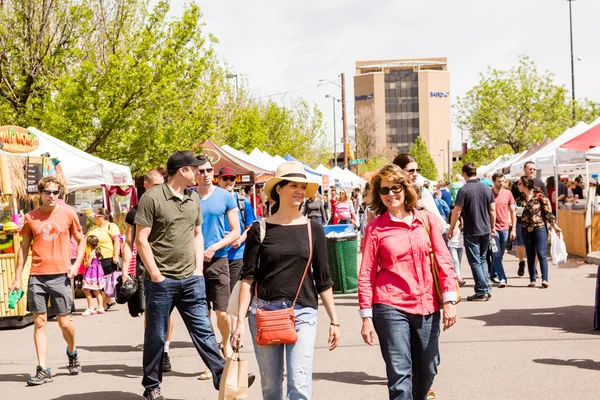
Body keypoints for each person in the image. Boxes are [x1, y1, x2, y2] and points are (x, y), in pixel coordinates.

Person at [231, 161, 340, 400]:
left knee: (299, 385)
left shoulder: (314, 229)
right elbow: (247, 278)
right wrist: (238, 322)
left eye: (303, 186)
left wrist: (335, 320)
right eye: (293, 185)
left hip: (302, 313)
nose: (300, 191)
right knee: (270, 387)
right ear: (278, 189)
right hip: (263, 312)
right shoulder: (259, 229)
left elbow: (323, 278)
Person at [358, 164, 457, 399]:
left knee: (428, 368)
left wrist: (449, 299)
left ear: (405, 188)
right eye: (384, 190)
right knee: (399, 374)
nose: (391, 194)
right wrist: (366, 317)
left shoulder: (426, 220)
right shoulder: (376, 228)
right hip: (390, 305)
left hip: (427, 304)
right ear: (378, 195)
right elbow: (366, 273)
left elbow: (444, 259)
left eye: (396, 188)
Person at [135, 151, 226, 400]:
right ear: (182, 170)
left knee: (204, 331)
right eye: (196, 169)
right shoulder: (152, 198)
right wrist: (155, 275)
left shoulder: (193, 198)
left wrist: (198, 271)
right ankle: (152, 386)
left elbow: (197, 234)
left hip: (191, 279)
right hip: (161, 282)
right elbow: (140, 240)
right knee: (156, 335)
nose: (200, 173)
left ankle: (223, 377)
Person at [9, 176, 84, 385]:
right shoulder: (31, 218)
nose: (52, 196)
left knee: (64, 322)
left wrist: (76, 265)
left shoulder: (68, 213)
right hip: (37, 276)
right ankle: (42, 368)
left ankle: (72, 351)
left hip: (61, 274)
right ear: (40, 194)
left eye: (56, 193)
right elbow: (23, 249)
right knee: (39, 322)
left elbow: (81, 240)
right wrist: (16, 278)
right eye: (48, 192)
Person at [122, 169, 176, 373]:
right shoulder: (134, 212)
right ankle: (155, 349)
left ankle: (165, 351)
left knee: (168, 311)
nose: (160, 189)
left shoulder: (169, 208)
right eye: (155, 185)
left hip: (169, 266)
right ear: (146, 185)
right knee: (150, 312)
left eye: (162, 184)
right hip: (145, 268)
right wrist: (125, 270)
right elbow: (128, 243)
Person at [195, 156, 241, 368]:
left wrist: (214, 247)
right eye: (201, 171)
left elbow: (235, 232)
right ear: (194, 173)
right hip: (193, 263)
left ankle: (226, 345)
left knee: (222, 311)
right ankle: (213, 359)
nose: (205, 175)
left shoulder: (225, 197)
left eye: (209, 171)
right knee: (203, 315)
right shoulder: (188, 197)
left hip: (218, 260)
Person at [217, 166, 256, 344]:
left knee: (233, 297)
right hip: (218, 256)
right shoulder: (213, 200)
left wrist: (240, 239)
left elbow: (251, 226)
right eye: (225, 178)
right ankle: (225, 335)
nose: (229, 182)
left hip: (237, 255)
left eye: (232, 179)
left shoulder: (243, 201)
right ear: (219, 180)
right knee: (220, 302)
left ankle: (233, 334)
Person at [448, 162, 496, 301]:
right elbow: (492, 210)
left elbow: (456, 211)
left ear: (464, 174)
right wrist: (492, 226)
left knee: (475, 261)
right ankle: (486, 288)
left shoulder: (464, 190)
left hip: (472, 229)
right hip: (485, 228)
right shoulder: (487, 189)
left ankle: (482, 290)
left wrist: (451, 228)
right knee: (482, 259)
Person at [516, 176, 562, 288]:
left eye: (520, 184)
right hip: (526, 230)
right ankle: (532, 279)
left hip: (539, 228)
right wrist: (516, 214)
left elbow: (548, 213)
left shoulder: (540, 196)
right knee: (530, 255)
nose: (518, 186)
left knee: (541, 253)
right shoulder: (520, 199)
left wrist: (555, 226)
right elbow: (519, 216)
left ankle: (544, 279)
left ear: (526, 185)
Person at [511, 161, 547, 277]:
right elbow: (512, 202)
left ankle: (534, 268)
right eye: (530, 169)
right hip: (521, 219)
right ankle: (521, 261)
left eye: (534, 169)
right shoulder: (517, 184)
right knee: (520, 243)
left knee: (537, 247)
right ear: (524, 170)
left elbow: (545, 203)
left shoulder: (540, 184)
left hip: (537, 220)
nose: (532, 171)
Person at [81, 208, 121, 310]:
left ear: (102, 217)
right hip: (94, 259)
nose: (93, 217)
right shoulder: (94, 228)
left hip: (107, 257)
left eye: (95, 215)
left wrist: (115, 255)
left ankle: (103, 304)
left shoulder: (111, 226)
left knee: (106, 282)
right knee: (97, 281)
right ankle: (103, 304)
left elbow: (117, 240)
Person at [489, 173, 516, 288]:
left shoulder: (508, 193)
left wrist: (513, 229)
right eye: (499, 181)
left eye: (503, 181)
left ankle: (493, 272)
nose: (501, 183)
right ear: (494, 181)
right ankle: (502, 278)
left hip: (505, 228)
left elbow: (513, 211)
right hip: (493, 229)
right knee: (496, 254)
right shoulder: (489, 193)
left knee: (500, 254)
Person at [81, 235, 105, 316]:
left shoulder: (91, 253)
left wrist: (84, 261)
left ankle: (90, 307)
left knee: (86, 289)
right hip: (97, 274)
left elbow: (87, 265)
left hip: (91, 274)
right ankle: (100, 307)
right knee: (97, 290)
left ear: (88, 244)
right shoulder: (97, 252)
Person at [447, 220, 466, 286]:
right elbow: (453, 234)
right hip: (452, 247)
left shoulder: (462, 226)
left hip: (460, 247)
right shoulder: (449, 226)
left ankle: (457, 277)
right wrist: (455, 226)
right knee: (455, 262)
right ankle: (458, 278)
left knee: (458, 263)